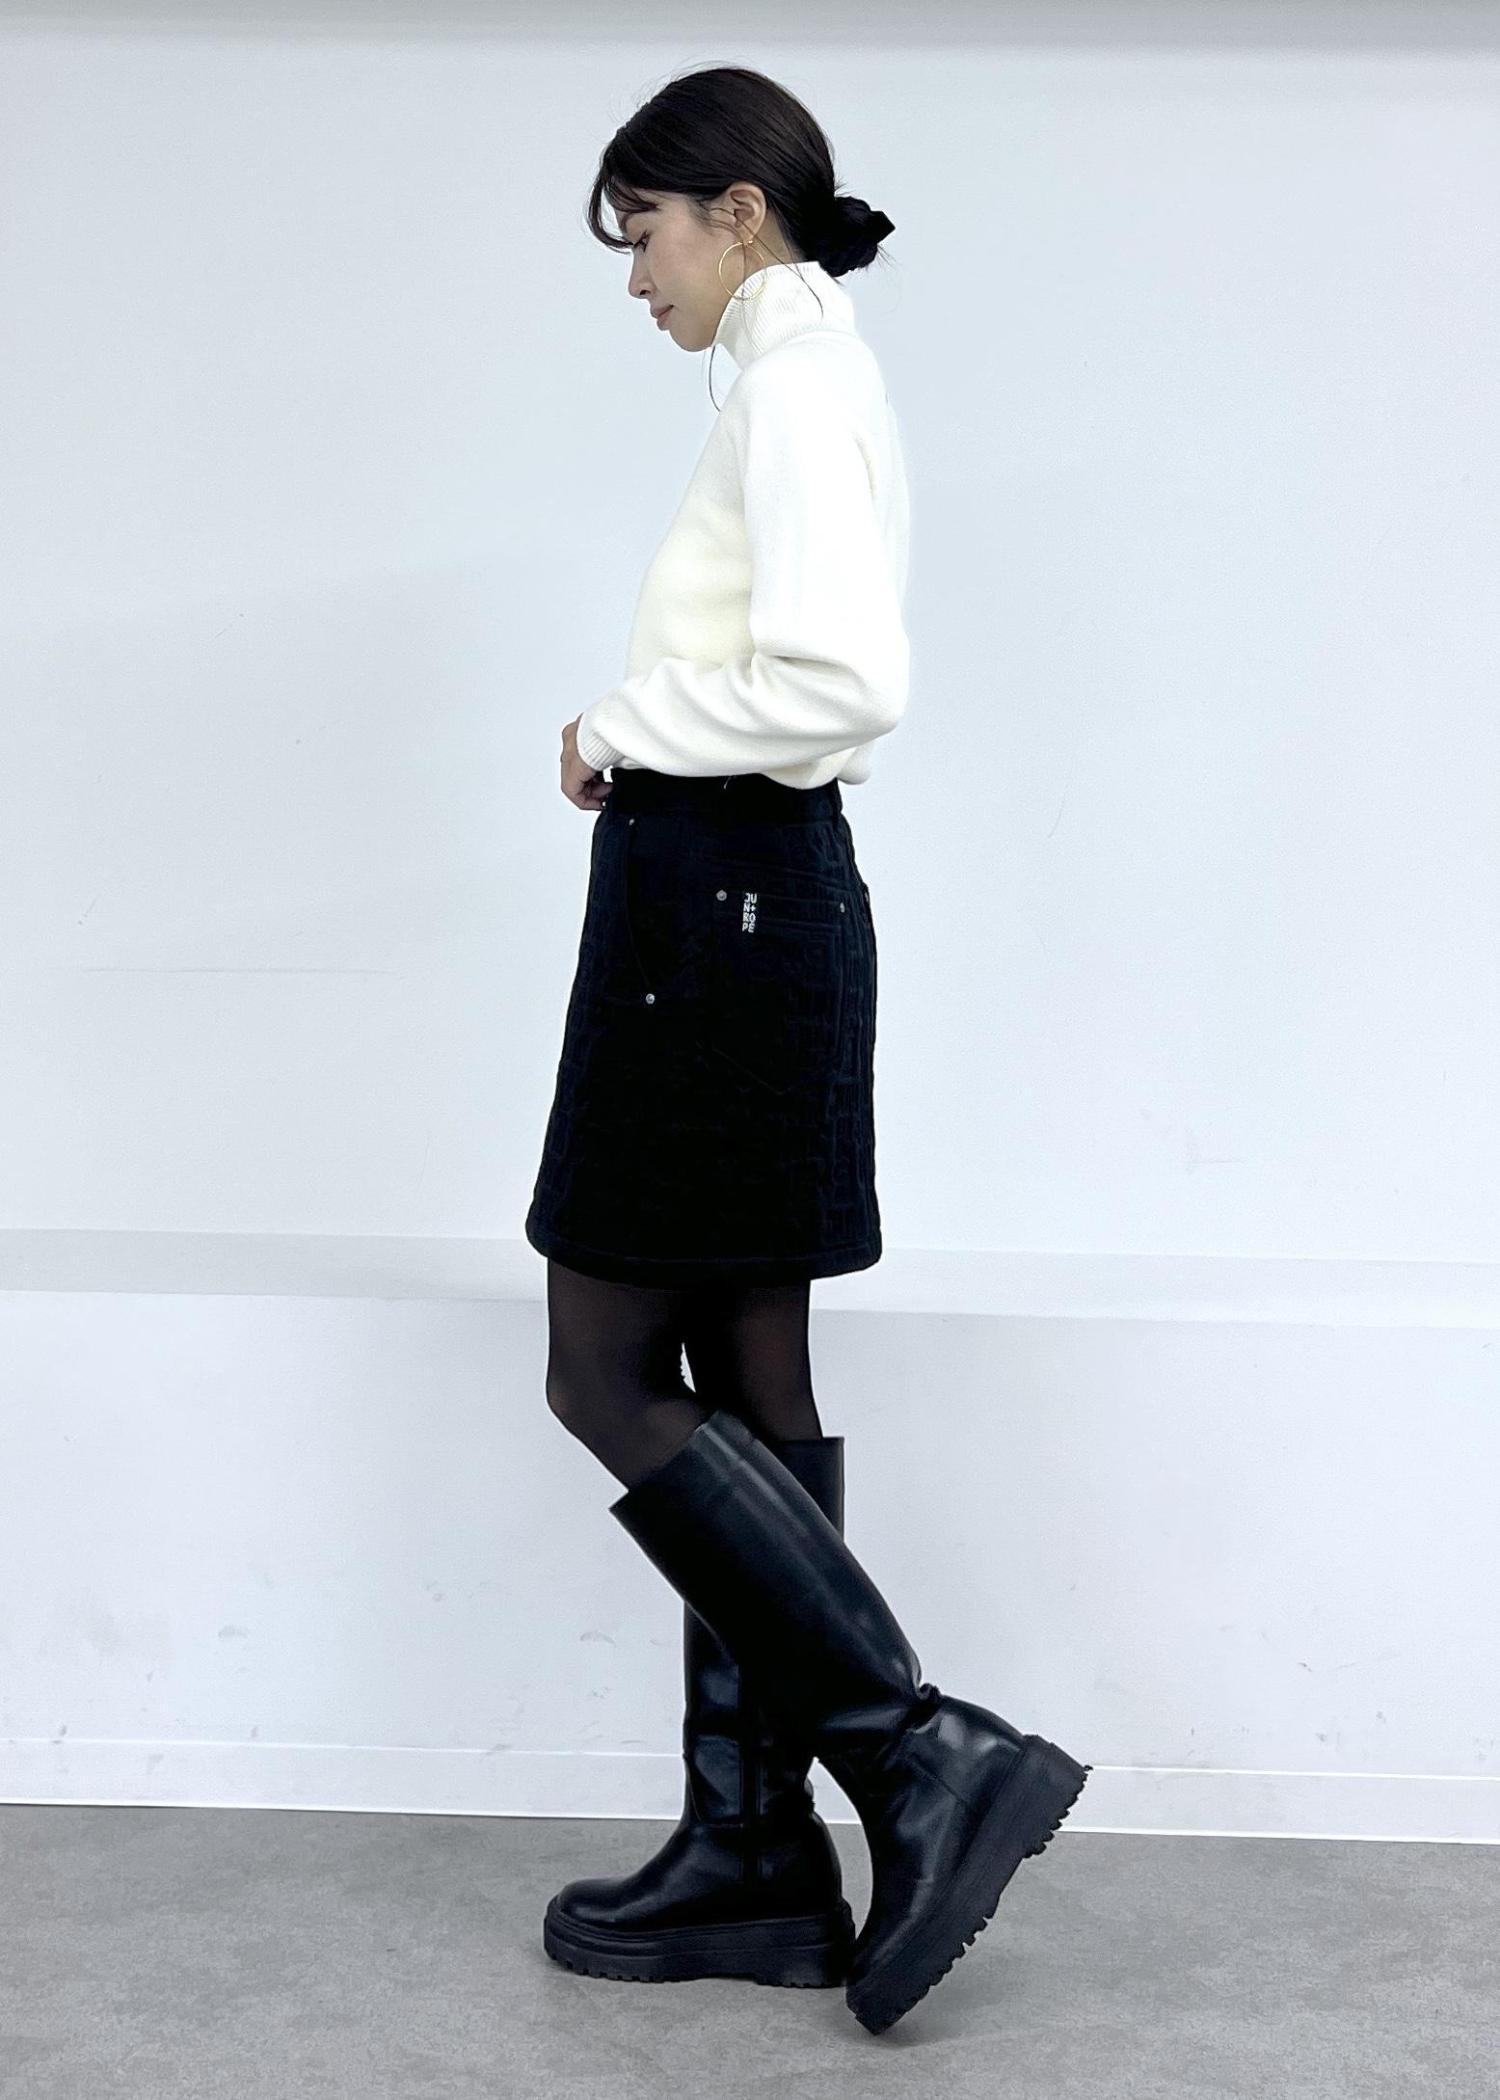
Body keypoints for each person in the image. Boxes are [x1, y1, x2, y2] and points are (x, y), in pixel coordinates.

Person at [526, 65, 1089, 2036]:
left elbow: (843, 679)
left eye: (649, 235)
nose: (640, 279)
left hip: (717, 910)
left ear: (739, 212)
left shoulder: (792, 389)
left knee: (603, 1365)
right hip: (753, 906)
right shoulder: (801, 376)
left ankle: (918, 1756)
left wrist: (617, 726)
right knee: (753, 1378)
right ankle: (757, 1852)